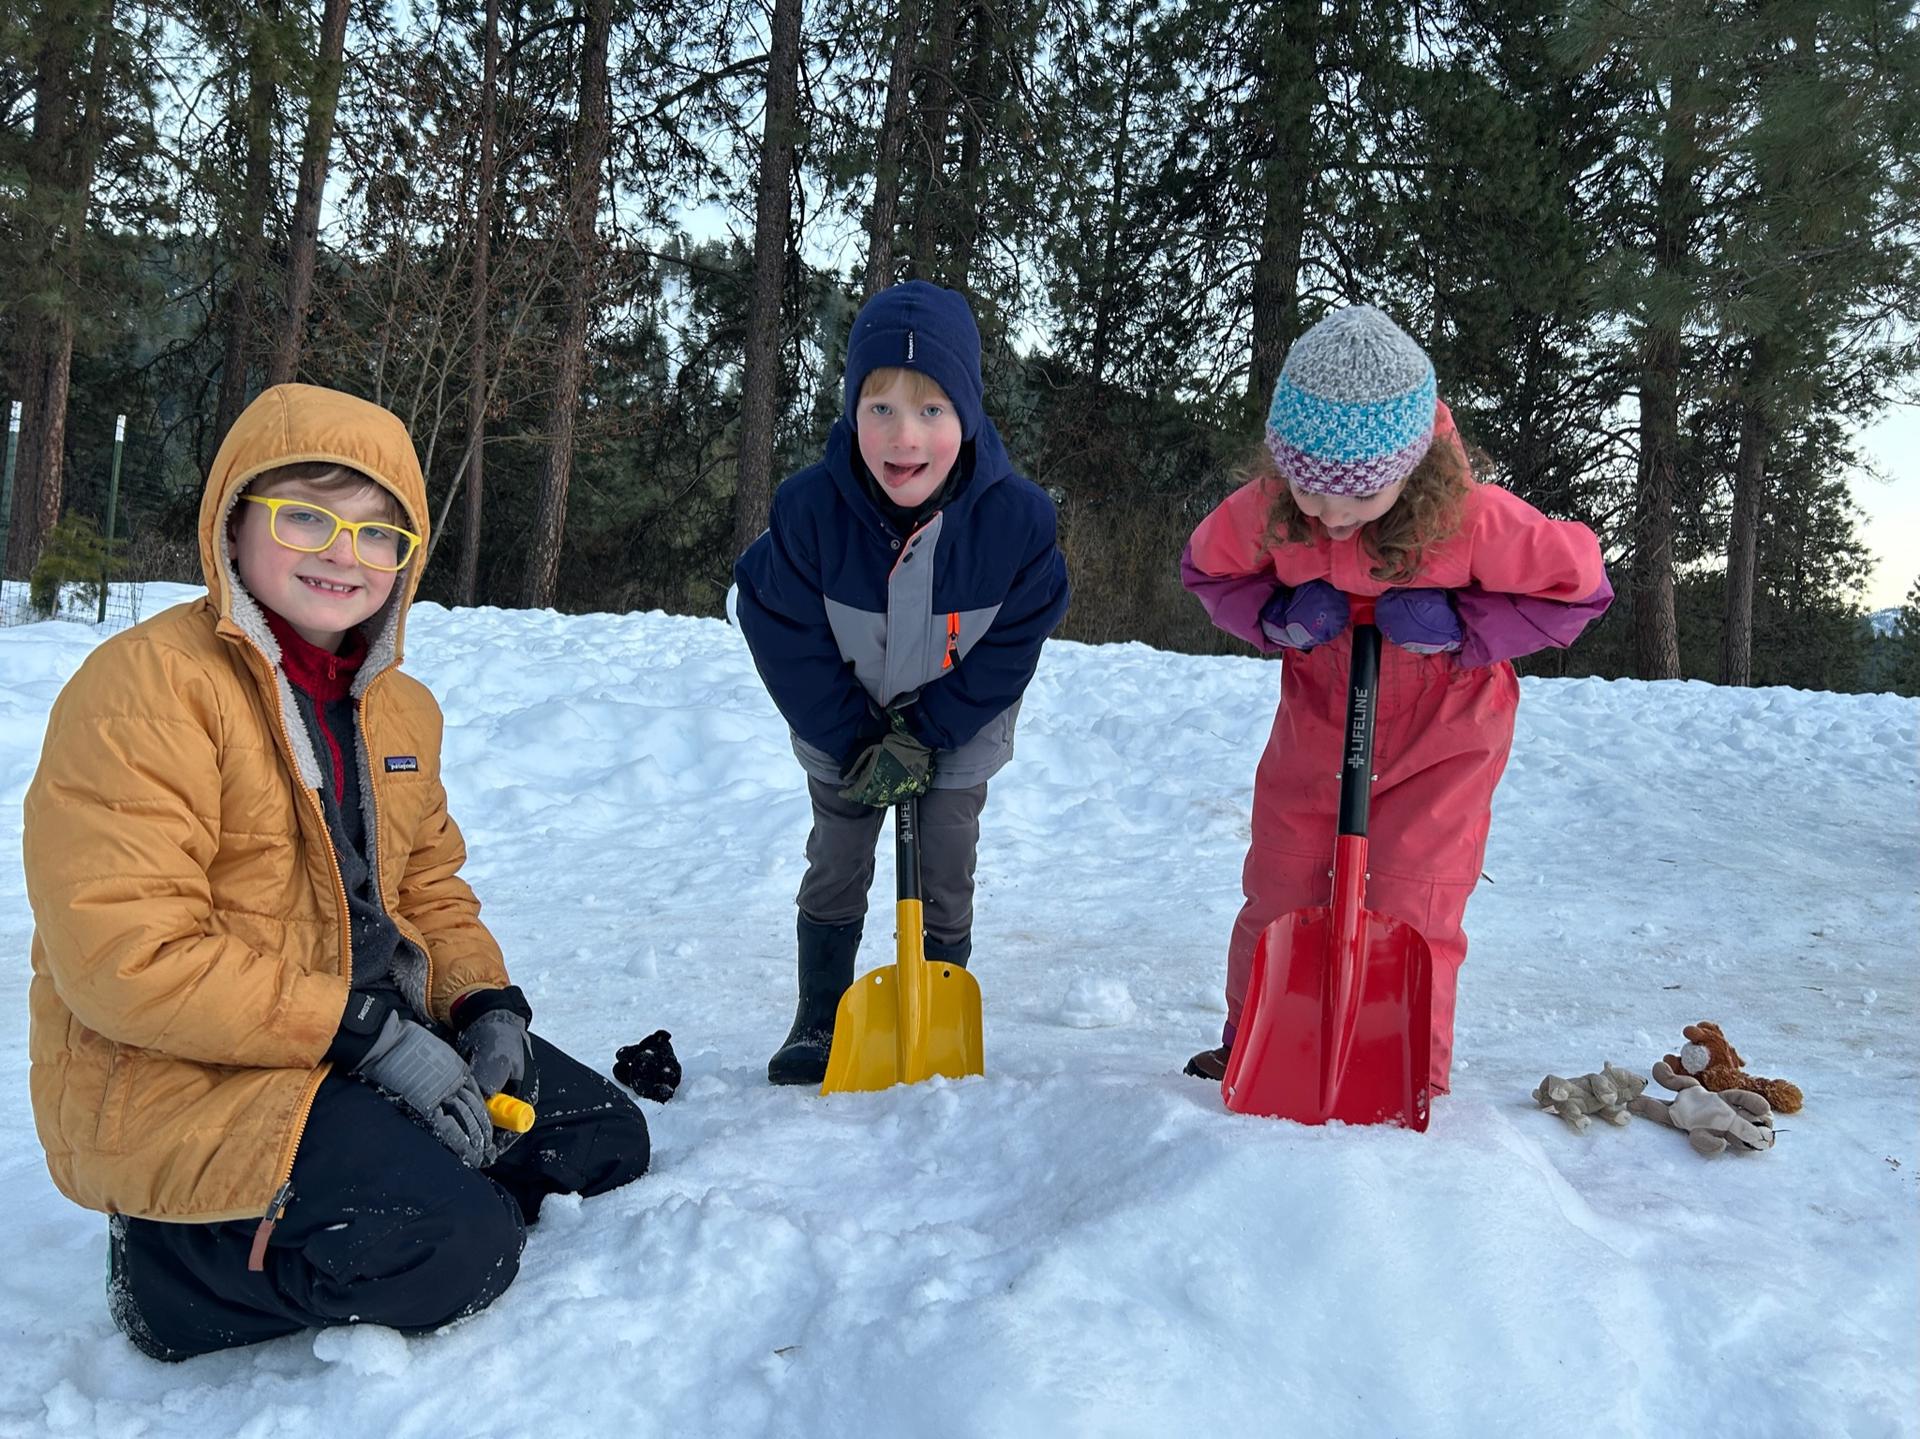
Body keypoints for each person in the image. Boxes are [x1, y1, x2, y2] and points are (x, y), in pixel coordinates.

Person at [23, 383, 652, 1361]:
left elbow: (430, 889)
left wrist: (484, 1001)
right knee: (456, 1248)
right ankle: (173, 1268)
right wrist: (364, 1035)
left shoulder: (398, 708)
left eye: (376, 532)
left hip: (355, 1036)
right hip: (192, 1071)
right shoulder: (144, 690)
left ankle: (370, 1175)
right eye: (305, 515)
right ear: (233, 524)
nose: (340, 553)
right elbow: (125, 957)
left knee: (601, 1137)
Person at [1180, 304, 1611, 1092]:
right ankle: (1257, 1040)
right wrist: (1278, 618)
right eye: (1312, 495)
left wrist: (1468, 625)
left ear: (1411, 471)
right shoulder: (1273, 511)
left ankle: (1406, 1061)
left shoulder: (1477, 521)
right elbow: (1207, 571)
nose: (1332, 517)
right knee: (1284, 881)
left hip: (1447, 729)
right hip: (1320, 715)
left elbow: (1578, 591)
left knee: (1413, 896)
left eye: (1358, 499)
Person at [734, 280, 1070, 1085]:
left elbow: (1016, 637)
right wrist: (856, 735)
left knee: (947, 859)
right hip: (842, 721)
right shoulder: (809, 510)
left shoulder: (1016, 521)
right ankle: (820, 1015)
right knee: (838, 856)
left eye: (931, 410)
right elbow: (779, 626)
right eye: (879, 407)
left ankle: (934, 995)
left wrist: (932, 727)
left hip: (958, 721)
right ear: (851, 411)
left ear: (971, 416)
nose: (903, 435)